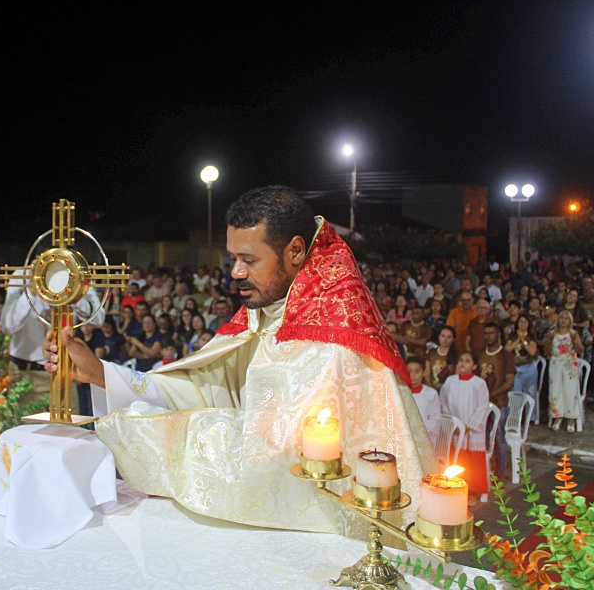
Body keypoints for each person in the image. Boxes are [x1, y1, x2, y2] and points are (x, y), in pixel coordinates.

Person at [43, 185, 433, 536]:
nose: (235, 272)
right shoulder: (266, 313)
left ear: (295, 251)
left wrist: (143, 428)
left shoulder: (329, 341)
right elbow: (204, 386)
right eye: (232, 258)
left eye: (249, 259)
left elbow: (272, 459)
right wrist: (102, 374)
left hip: (327, 532)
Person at [1, 269, 104, 409]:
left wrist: (72, 294)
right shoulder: (23, 275)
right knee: (24, 429)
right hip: (25, 373)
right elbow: (8, 326)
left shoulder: (76, 271)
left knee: (69, 430)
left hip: (63, 373)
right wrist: (32, 291)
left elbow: (97, 319)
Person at [439, 351, 490, 505]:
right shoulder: (450, 381)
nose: (463, 363)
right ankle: (456, 487)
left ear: (474, 366)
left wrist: (469, 426)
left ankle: (472, 492)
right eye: (461, 360)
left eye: (467, 361)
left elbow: (482, 406)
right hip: (455, 429)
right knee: (458, 458)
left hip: (472, 430)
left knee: (472, 461)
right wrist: (453, 424)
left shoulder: (479, 384)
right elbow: (443, 402)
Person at [476, 322, 515, 480]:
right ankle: (485, 470)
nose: (488, 336)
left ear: (498, 334)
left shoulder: (506, 355)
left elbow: (509, 382)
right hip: (481, 404)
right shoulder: (479, 354)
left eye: (491, 333)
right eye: (486, 333)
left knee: (499, 438)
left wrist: (491, 395)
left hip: (499, 403)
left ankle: (501, 471)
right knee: (482, 437)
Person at [546, 310, 585, 433]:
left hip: (569, 364)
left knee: (570, 390)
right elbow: (547, 351)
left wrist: (574, 340)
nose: (563, 320)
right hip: (556, 363)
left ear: (570, 321)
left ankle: (571, 419)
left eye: (566, 318)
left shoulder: (573, 334)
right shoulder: (552, 334)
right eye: (561, 318)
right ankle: (558, 417)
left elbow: (580, 350)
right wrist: (549, 340)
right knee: (556, 390)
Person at [504, 314, 539, 423]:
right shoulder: (512, 336)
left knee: (531, 393)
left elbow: (532, 351)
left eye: (525, 322)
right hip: (515, 368)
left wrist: (523, 340)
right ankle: (515, 418)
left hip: (528, 368)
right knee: (515, 394)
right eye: (520, 321)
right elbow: (507, 349)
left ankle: (531, 418)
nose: (522, 324)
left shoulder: (531, 336)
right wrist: (517, 339)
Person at [406, 355, 440, 443]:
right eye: (409, 371)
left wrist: (418, 428)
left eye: (417, 372)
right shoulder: (400, 392)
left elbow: (435, 420)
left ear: (424, 373)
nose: (412, 375)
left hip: (424, 437)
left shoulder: (431, 394)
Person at [424, 325, 459, 392]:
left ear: (453, 339)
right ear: (439, 336)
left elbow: (457, 377)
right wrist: (432, 391)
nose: (445, 340)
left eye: (449, 337)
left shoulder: (457, 355)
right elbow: (427, 375)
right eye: (443, 336)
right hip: (432, 390)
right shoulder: (431, 353)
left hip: (450, 391)